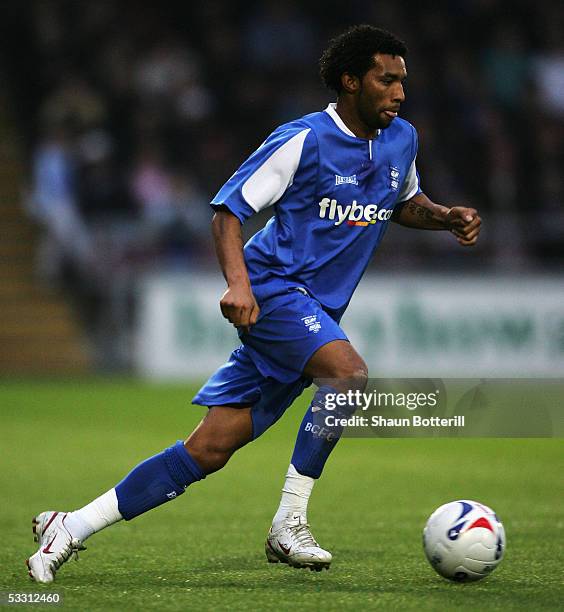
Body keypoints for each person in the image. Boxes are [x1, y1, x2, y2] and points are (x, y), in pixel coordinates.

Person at [26, 25, 481, 582]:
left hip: (313, 309)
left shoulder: (402, 139)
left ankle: (69, 526)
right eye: (387, 80)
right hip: (274, 289)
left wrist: (444, 217)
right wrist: (239, 285)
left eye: (402, 82)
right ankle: (289, 524)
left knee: (209, 449)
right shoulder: (303, 140)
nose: (400, 92)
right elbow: (227, 212)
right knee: (348, 376)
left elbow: (404, 202)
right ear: (350, 81)